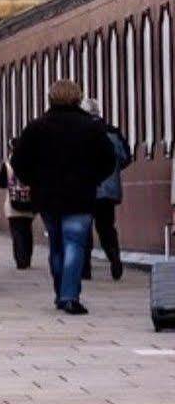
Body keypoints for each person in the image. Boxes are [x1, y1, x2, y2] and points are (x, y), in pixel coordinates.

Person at [10, 79, 118, 315]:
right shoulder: (91, 128)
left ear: (50, 97)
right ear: (77, 98)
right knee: (75, 244)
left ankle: (61, 292)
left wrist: (34, 181)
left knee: (57, 245)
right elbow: (109, 161)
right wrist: (93, 179)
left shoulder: (36, 127)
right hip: (81, 195)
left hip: (48, 197)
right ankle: (70, 296)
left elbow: (18, 162)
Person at [83, 97, 133, 282]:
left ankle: (85, 269)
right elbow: (126, 157)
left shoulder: (81, 132)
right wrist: (113, 173)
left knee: (84, 228)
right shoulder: (113, 132)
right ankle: (114, 257)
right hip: (109, 190)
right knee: (106, 227)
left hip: (86, 189)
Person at [0, 134, 37, 270]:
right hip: (30, 202)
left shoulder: (7, 165)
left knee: (17, 232)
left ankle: (20, 260)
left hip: (12, 204)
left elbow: (1, 184)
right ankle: (27, 257)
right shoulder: (32, 163)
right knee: (27, 231)